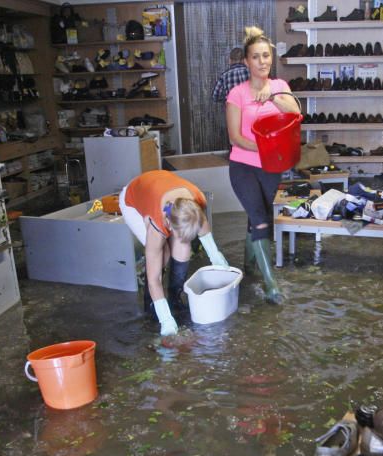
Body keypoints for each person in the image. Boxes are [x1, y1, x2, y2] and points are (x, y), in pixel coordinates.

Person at [226, 26, 300, 303]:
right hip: (243, 166)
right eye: (256, 57)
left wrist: (272, 98)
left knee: (258, 215)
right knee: (259, 219)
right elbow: (235, 137)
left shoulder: (281, 87)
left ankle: (248, 265)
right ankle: (271, 285)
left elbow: (296, 113)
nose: (262, 62)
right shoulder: (237, 94)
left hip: (271, 166)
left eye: (266, 56)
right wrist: (266, 148)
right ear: (246, 62)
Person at [120, 170, 229, 336]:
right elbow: (154, 280)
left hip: (160, 184)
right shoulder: (157, 223)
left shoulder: (196, 204)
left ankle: (175, 298)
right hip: (133, 198)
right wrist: (166, 320)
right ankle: (152, 307)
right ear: (169, 225)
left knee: (184, 248)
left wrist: (216, 257)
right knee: (162, 255)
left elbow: (205, 232)